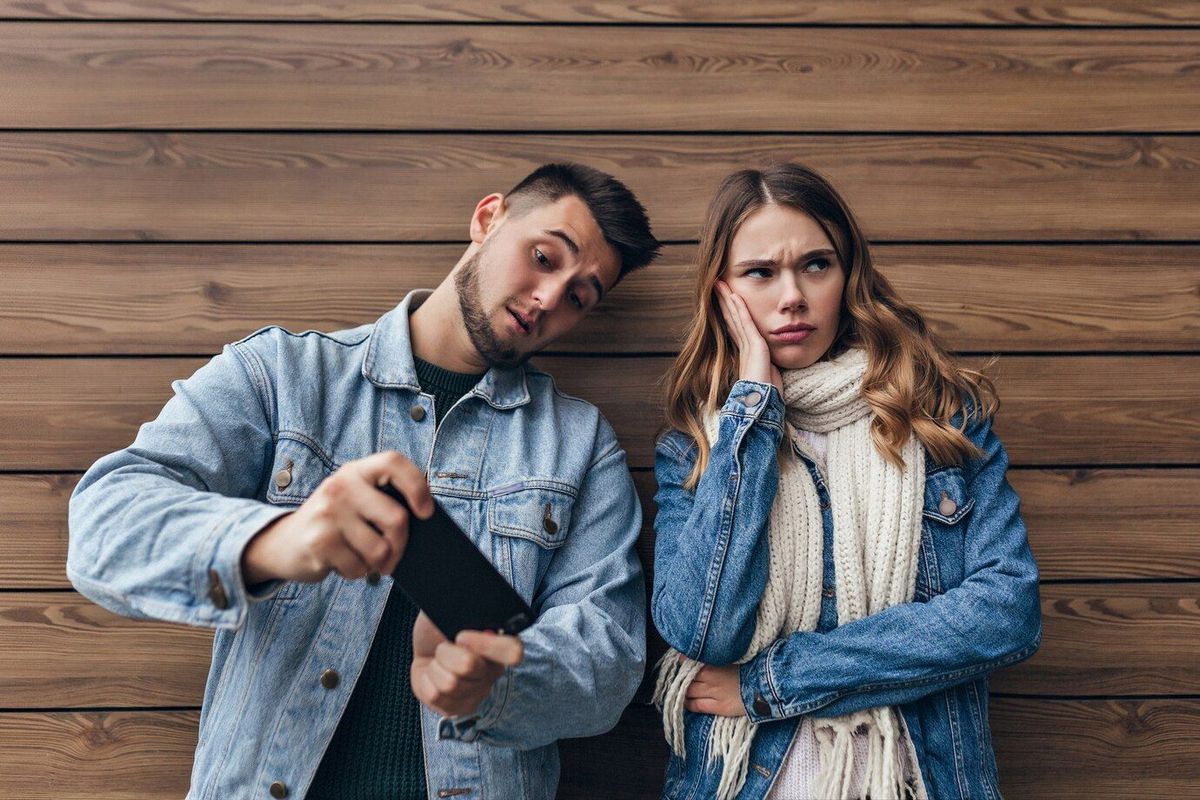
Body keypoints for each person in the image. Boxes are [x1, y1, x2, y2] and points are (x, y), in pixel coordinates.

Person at [67, 162, 659, 800]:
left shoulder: (579, 444)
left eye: (579, 297)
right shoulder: (282, 375)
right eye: (543, 257)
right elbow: (104, 525)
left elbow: (607, 661)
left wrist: (497, 683)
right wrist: (276, 540)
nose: (547, 298)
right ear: (489, 219)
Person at [651, 163, 1041, 800]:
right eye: (760, 273)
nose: (792, 298)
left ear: (847, 275)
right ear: (723, 293)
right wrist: (751, 413)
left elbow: (1007, 611)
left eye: (815, 265)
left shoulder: (941, 424)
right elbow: (705, 631)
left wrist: (771, 682)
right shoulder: (695, 451)